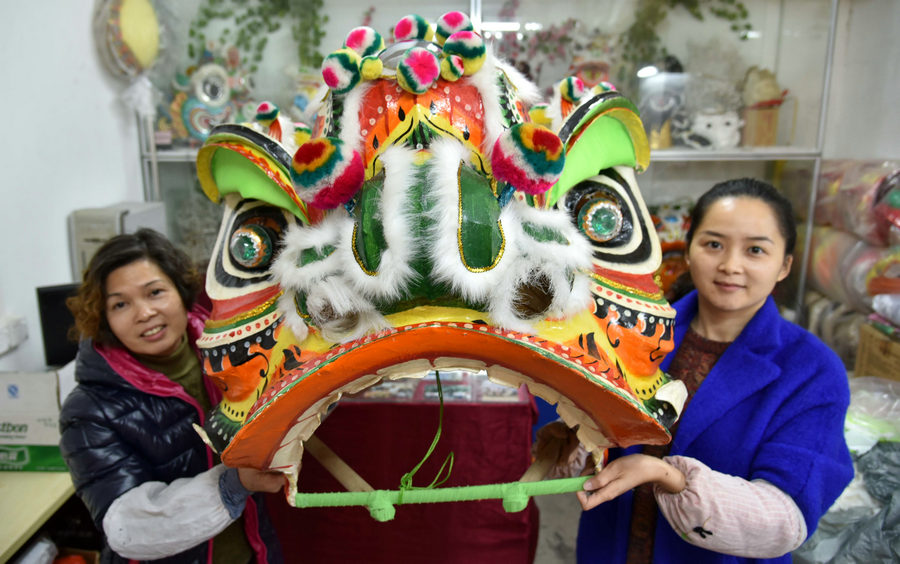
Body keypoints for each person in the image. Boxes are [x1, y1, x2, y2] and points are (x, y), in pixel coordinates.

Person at [570, 178, 854, 563]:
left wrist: (672, 479)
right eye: (713, 244)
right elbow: (594, 432)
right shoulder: (630, 334)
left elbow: (785, 520)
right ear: (688, 251)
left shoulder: (812, 371)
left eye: (755, 250)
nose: (730, 265)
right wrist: (572, 445)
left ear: (784, 265)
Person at [59, 228, 285, 563]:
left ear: (181, 292)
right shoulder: (88, 411)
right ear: (104, 318)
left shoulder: (233, 353)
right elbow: (127, 526)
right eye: (120, 304)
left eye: (155, 292)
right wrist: (232, 484)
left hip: (254, 550)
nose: (144, 313)